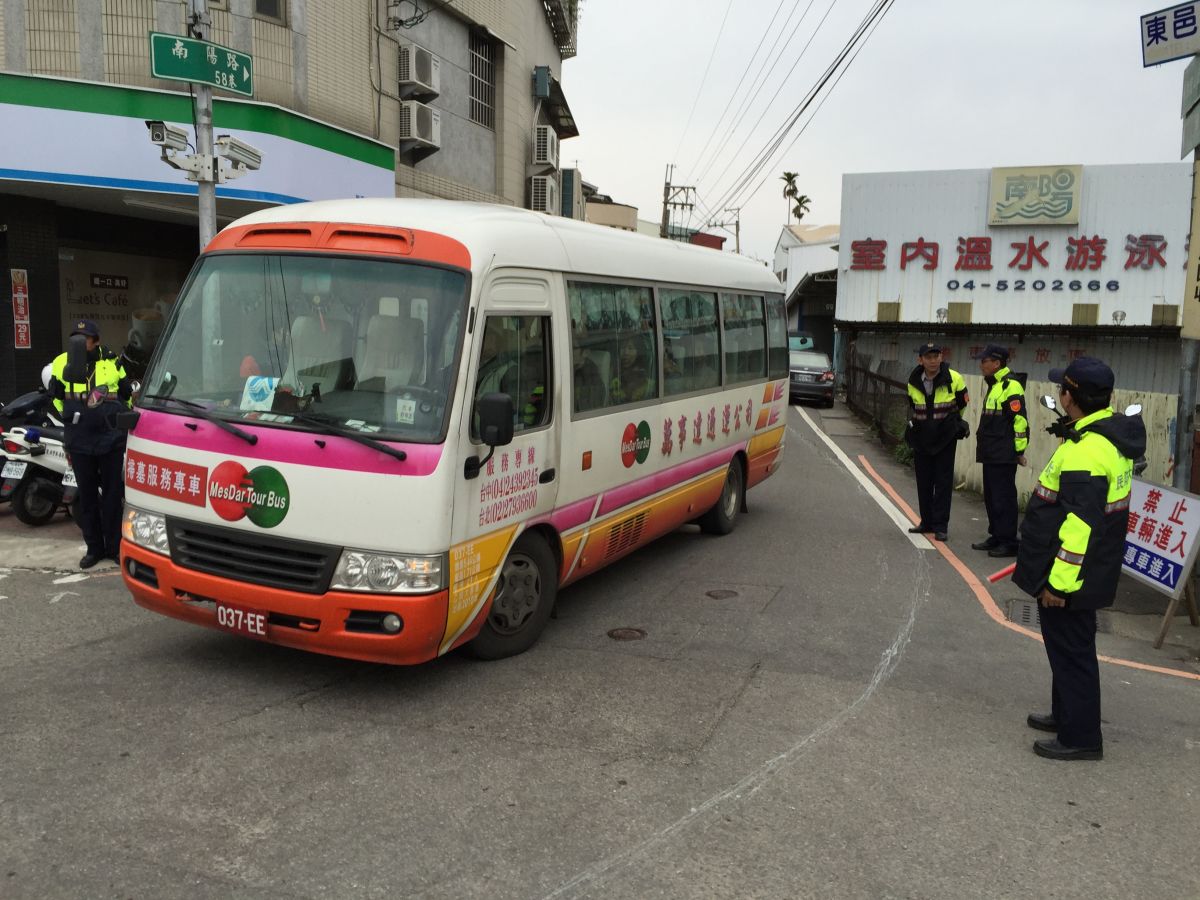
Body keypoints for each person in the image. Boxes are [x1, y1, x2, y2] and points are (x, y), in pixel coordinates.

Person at [1013, 357, 1145, 761]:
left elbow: (1080, 525)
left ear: (1069, 397)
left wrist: (1059, 584)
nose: (1058, 393)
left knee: (1072, 652)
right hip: (1089, 565)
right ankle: (1064, 713)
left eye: (1061, 389)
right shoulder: (1104, 436)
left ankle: (1081, 737)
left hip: (1071, 571)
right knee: (1067, 647)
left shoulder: (1089, 450)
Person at [49, 319, 132, 569]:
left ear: (96, 341)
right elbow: (56, 396)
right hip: (80, 437)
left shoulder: (112, 361)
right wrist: (74, 420)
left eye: (85, 338)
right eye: (76, 337)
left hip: (110, 437)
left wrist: (117, 421)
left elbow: (127, 394)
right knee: (86, 496)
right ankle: (93, 548)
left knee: (112, 494)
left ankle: (114, 547)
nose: (80, 342)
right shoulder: (61, 362)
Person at [904, 341, 969, 542]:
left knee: (942, 482)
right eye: (929, 357)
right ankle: (927, 522)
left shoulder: (954, 378)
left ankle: (941, 526)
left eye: (936, 356)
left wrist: (952, 423)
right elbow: (913, 406)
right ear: (920, 360)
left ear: (941, 357)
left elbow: (963, 403)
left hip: (945, 438)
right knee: (924, 482)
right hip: (922, 437)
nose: (933, 361)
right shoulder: (913, 380)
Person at [971, 344, 1029, 558]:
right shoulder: (995, 384)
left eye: (984, 361)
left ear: (997, 363)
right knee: (992, 496)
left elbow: (1020, 420)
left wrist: (1019, 450)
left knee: (1003, 497)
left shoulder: (1010, 386)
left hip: (1003, 452)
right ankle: (996, 535)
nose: (981, 365)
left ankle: (1008, 541)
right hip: (991, 450)